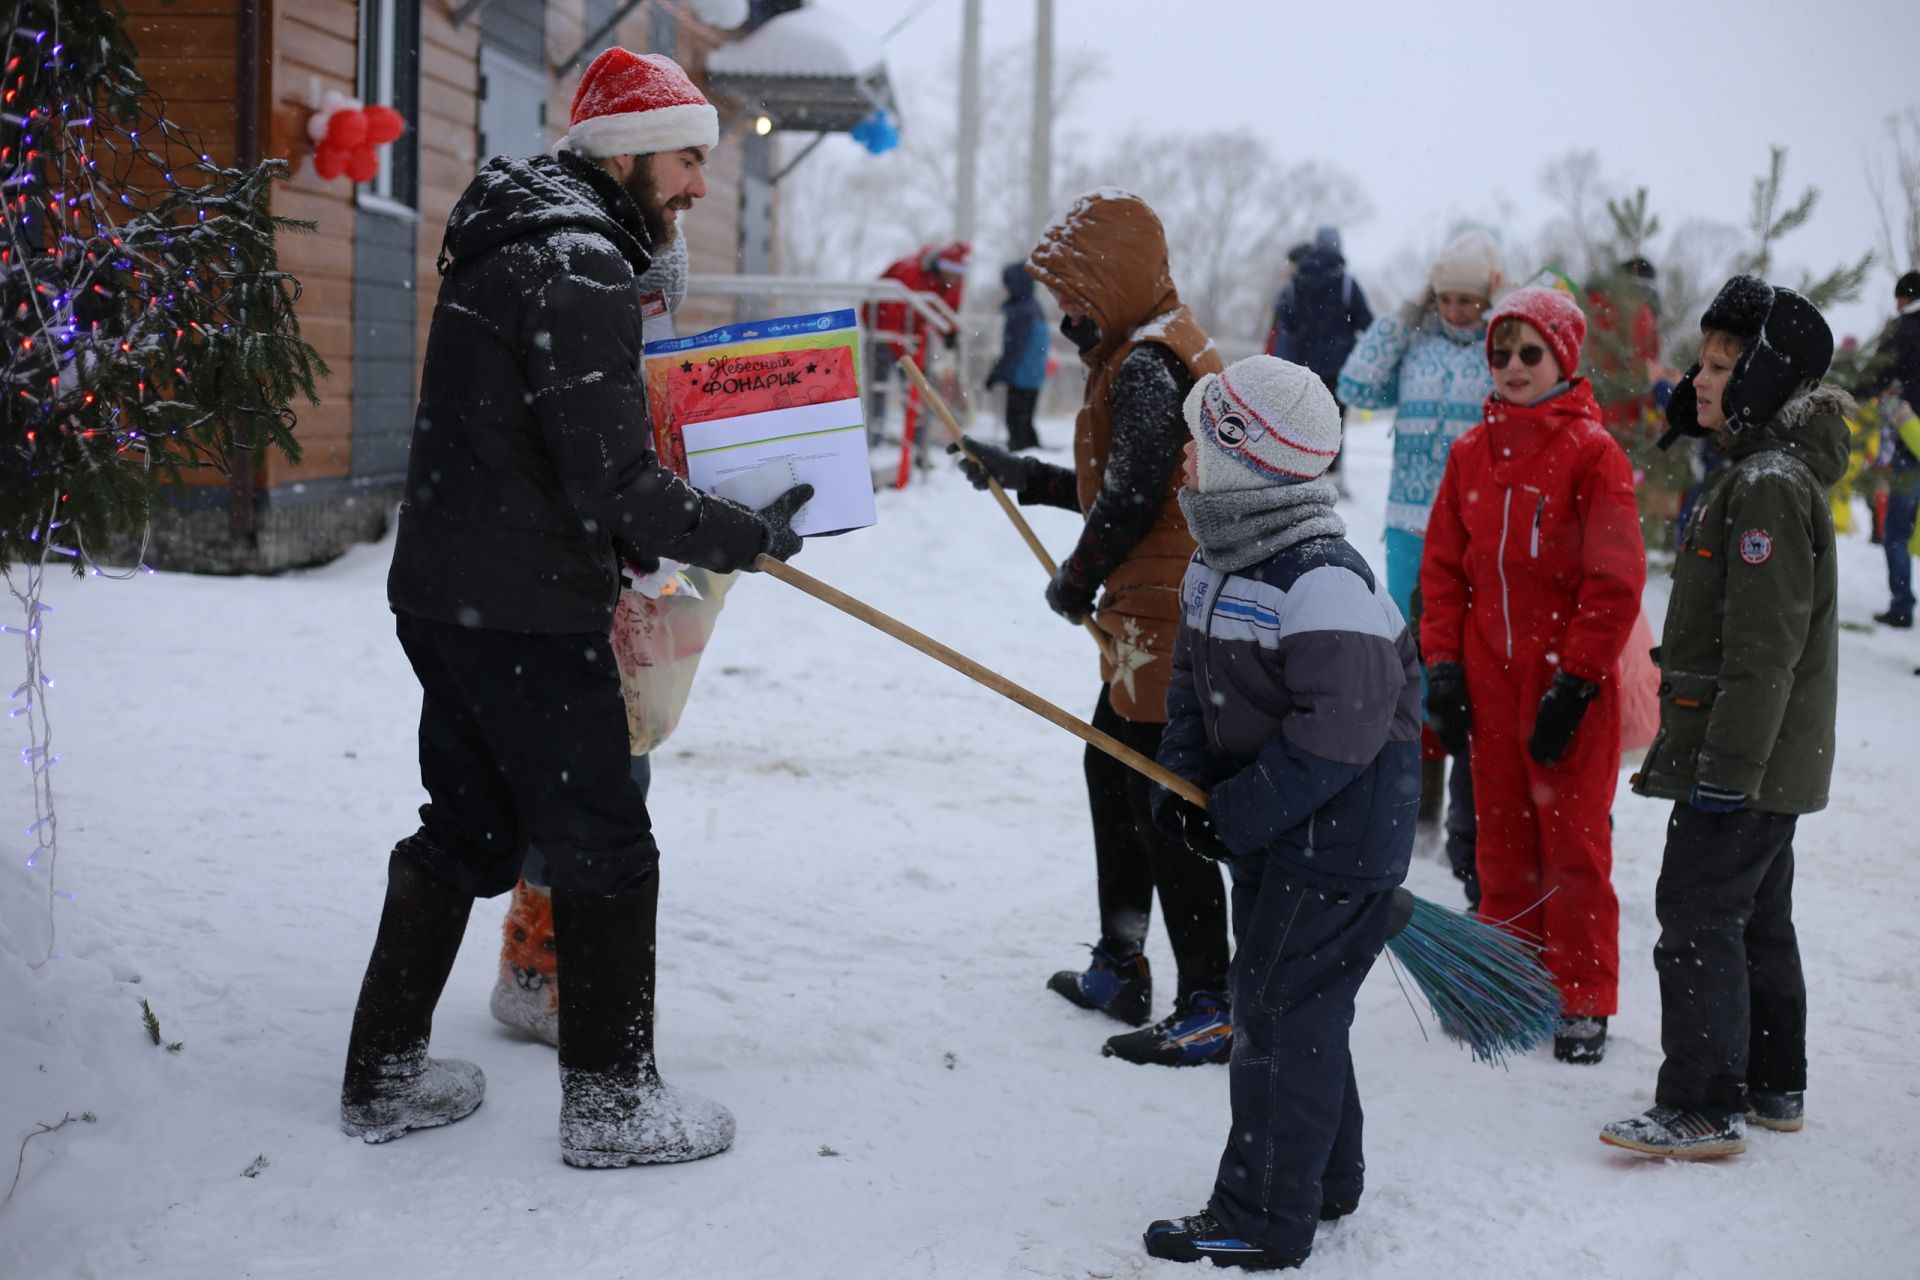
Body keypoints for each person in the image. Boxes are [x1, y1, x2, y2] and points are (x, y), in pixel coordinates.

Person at [341, 47, 813, 1168]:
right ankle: (612, 1106)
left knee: (467, 827)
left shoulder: (513, 238)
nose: (700, 183)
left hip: (449, 593)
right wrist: (744, 534)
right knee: (608, 846)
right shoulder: (581, 260)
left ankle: (384, 1076)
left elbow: (555, 453)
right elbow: (615, 482)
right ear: (627, 152)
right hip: (525, 612)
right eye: (690, 158)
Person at [1141, 355, 1420, 1271]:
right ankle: (1323, 1176)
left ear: (1242, 457)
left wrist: (1241, 812)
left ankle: (1264, 1212)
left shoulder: (1321, 579)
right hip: (1280, 826)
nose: (1183, 454)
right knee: (1297, 1007)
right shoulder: (1220, 561)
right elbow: (1190, 685)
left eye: (1198, 436)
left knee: (1273, 1009)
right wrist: (1187, 779)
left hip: (1337, 838)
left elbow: (1341, 735)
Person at [949, 190, 1232, 1067]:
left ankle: (1211, 1000)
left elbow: (1137, 491)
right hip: (1156, 607)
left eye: (1075, 292)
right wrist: (1020, 474)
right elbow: (1117, 476)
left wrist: (1077, 580)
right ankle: (1121, 960)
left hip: (1170, 611)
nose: (1064, 312)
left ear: (1114, 281)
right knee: (1116, 775)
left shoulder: (1150, 365)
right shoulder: (1143, 351)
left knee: (1164, 799)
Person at [1601, 275, 1847, 1158]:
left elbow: (1762, 653)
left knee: (1698, 913)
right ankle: (1776, 1082)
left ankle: (1703, 1102)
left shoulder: (1768, 489)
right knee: (1757, 916)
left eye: (1720, 366)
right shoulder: (1760, 474)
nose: (1698, 380)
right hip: (1769, 759)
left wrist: (1727, 774)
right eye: (1698, 363)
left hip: (1744, 761)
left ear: (1766, 378)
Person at [488, 232, 740, 1047]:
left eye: (663, 305)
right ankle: (542, 971)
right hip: (556, 603)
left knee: (607, 778)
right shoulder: (574, 362)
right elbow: (602, 484)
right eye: (644, 303)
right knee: (591, 790)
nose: (653, 319)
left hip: (614, 606)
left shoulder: (645, 368)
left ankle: (538, 966)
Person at [1420, 285, 1645, 1065]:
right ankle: (1507, 982)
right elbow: (1443, 573)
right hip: (1489, 676)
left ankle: (1583, 994)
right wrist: (1444, 670)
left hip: (1566, 684)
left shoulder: (1593, 454)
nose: (1511, 367)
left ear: (1563, 359)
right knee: (1501, 843)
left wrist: (1577, 681)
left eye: (1529, 352)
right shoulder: (1467, 454)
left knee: (1575, 844)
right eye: (1500, 352)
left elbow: (1614, 580)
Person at [1338, 228, 1503, 905]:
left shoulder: (1500, 347)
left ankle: (1467, 810)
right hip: (1410, 523)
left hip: (1473, 526)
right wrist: (1403, 318)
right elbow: (1354, 382)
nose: (1457, 311)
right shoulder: (1417, 340)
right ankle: (1418, 809)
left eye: (1469, 300)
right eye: (1446, 299)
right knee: (1411, 668)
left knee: (1467, 662)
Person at [1273, 227, 1373, 489]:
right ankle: (1333, 476)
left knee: (1304, 421)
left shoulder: (1297, 281)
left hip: (1303, 368)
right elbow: (1366, 321)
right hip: (1339, 368)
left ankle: (1300, 473)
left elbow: (1287, 319)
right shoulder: (1347, 284)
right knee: (1335, 423)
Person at [1859, 271, 1920, 627]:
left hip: (1909, 444)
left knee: (1898, 530)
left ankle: (1902, 604)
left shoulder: (1903, 331)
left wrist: (1849, 395)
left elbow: (1874, 376)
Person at [865, 240, 969, 443]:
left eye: (959, 271)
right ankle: (874, 439)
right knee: (879, 388)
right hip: (883, 333)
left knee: (918, 392)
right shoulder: (910, 271)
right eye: (950, 269)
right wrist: (902, 349)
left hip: (914, 340)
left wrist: (948, 332)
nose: (954, 276)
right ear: (939, 265)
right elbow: (890, 314)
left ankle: (918, 444)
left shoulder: (955, 283)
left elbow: (946, 310)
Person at [985, 260, 1050, 451]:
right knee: (1026, 422)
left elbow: (1013, 348)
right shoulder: (1034, 307)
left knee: (1015, 424)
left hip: (1020, 376)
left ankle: (1020, 464)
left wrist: (997, 373)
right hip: (1034, 376)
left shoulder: (1020, 311)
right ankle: (1035, 458)